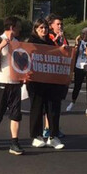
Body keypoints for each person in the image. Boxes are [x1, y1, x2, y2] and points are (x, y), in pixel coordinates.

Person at [0, 16, 24, 155]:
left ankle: (14, 142)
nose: (20, 29)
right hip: (0, 81)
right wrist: (1, 46)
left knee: (16, 114)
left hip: (15, 83)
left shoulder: (18, 43)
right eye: (18, 26)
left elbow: (21, 62)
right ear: (12, 27)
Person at [27, 19, 65, 149]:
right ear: (36, 29)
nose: (44, 30)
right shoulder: (31, 42)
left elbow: (55, 56)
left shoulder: (50, 42)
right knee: (37, 109)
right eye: (41, 28)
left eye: (45, 28)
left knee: (53, 108)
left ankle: (53, 136)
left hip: (50, 80)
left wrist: (62, 50)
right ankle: (36, 136)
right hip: (36, 82)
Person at [45, 14, 72, 139]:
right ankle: (47, 127)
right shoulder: (50, 37)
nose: (60, 26)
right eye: (57, 24)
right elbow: (49, 50)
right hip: (51, 74)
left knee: (58, 102)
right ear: (51, 26)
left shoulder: (63, 38)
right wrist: (57, 39)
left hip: (61, 73)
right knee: (49, 103)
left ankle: (55, 127)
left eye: (61, 24)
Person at [67, 27, 87, 112]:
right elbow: (74, 52)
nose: (84, 35)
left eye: (86, 34)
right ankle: (73, 101)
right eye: (83, 33)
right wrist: (77, 43)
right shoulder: (80, 43)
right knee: (77, 86)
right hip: (79, 66)